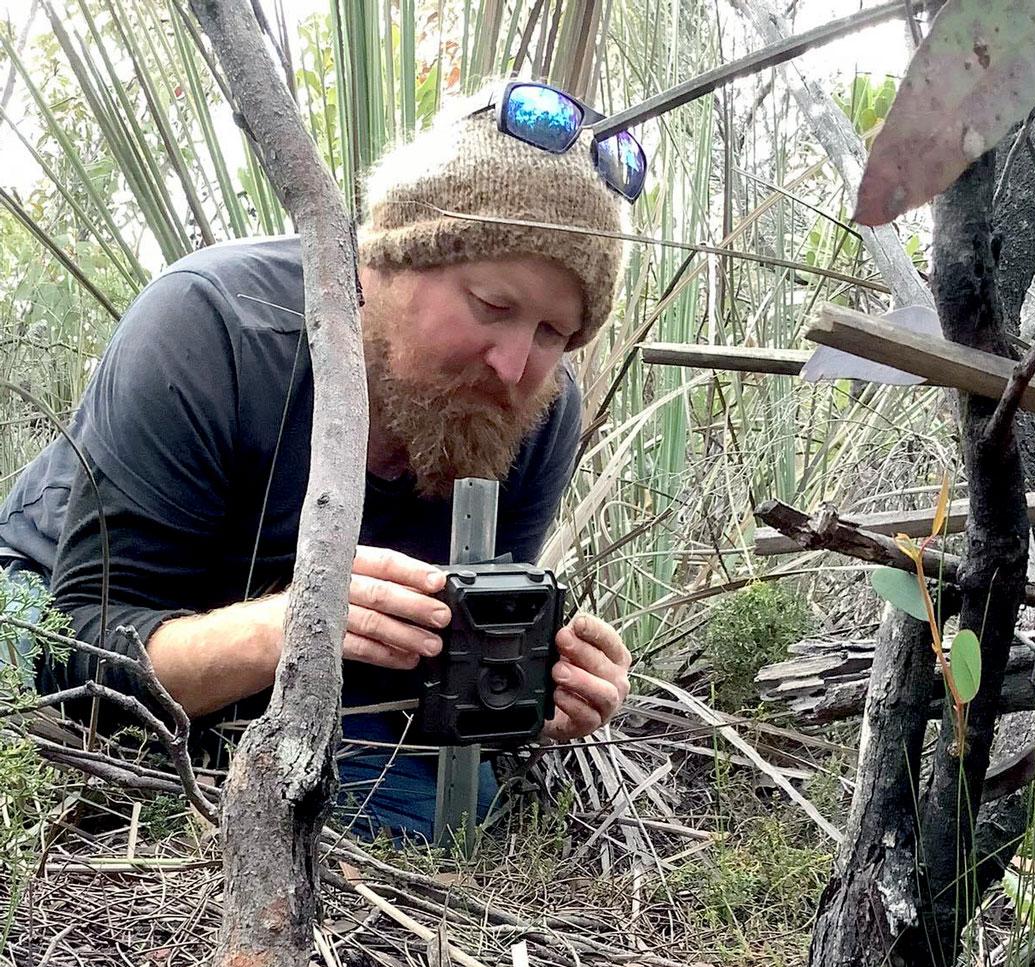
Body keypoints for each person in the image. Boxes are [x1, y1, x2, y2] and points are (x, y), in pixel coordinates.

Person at [0, 79, 640, 839]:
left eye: (554, 334)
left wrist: (533, 688)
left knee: (444, 816)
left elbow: (445, 672)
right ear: (387, 263)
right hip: (67, 620)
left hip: (327, 692)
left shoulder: (540, 408)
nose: (514, 364)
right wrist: (290, 628)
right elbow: (74, 644)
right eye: (493, 306)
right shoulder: (215, 326)